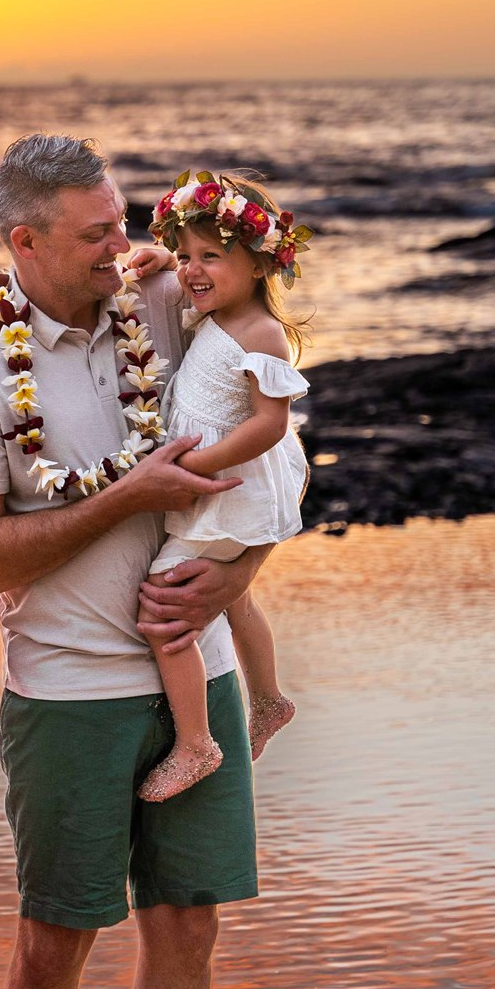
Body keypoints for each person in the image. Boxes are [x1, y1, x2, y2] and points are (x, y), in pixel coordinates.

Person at [0, 133, 269, 989]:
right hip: (65, 694)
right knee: (53, 940)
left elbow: (276, 444)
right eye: (98, 234)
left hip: (197, 674)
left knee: (189, 925)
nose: (126, 248)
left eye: (124, 221)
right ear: (23, 242)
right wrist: (123, 497)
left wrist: (238, 577)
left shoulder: (165, 310)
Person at [135, 171, 313, 799]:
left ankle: (196, 743)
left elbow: (270, 423)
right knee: (233, 598)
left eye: (212, 255)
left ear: (263, 262)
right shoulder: (212, 312)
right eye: (186, 256)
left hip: (228, 492)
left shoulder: (260, 333)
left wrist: (197, 470)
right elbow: (179, 285)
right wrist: (163, 259)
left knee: (164, 607)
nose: (192, 270)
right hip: (220, 488)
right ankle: (266, 698)